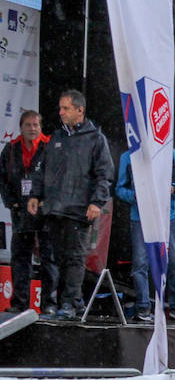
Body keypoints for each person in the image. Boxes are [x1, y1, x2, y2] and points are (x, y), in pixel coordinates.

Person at [27, 90, 113, 321]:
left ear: (80, 110)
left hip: (79, 210)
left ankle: (69, 303)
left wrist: (96, 202)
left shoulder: (95, 139)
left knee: (75, 258)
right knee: (58, 258)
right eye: (60, 108)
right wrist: (35, 195)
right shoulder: (56, 138)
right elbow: (41, 169)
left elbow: (104, 174)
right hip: (55, 209)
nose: (61, 112)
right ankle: (72, 302)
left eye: (65, 108)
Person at [115, 148, 175, 323]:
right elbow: (119, 188)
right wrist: (136, 196)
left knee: (174, 261)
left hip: (168, 216)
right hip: (141, 216)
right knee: (140, 263)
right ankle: (143, 307)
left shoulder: (168, 151)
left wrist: (172, 189)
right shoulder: (128, 156)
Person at [0, 110, 56, 313]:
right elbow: (2, 178)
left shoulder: (50, 146)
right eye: (28, 125)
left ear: (41, 127)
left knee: (48, 257)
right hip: (20, 211)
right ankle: (19, 303)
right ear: (21, 127)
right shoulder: (11, 148)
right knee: (20, 257)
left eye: (36, 125)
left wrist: (45, 202)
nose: (32, 129)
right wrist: (12, 203)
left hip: (44, 210)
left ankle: (49, 304)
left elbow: (57, 177)